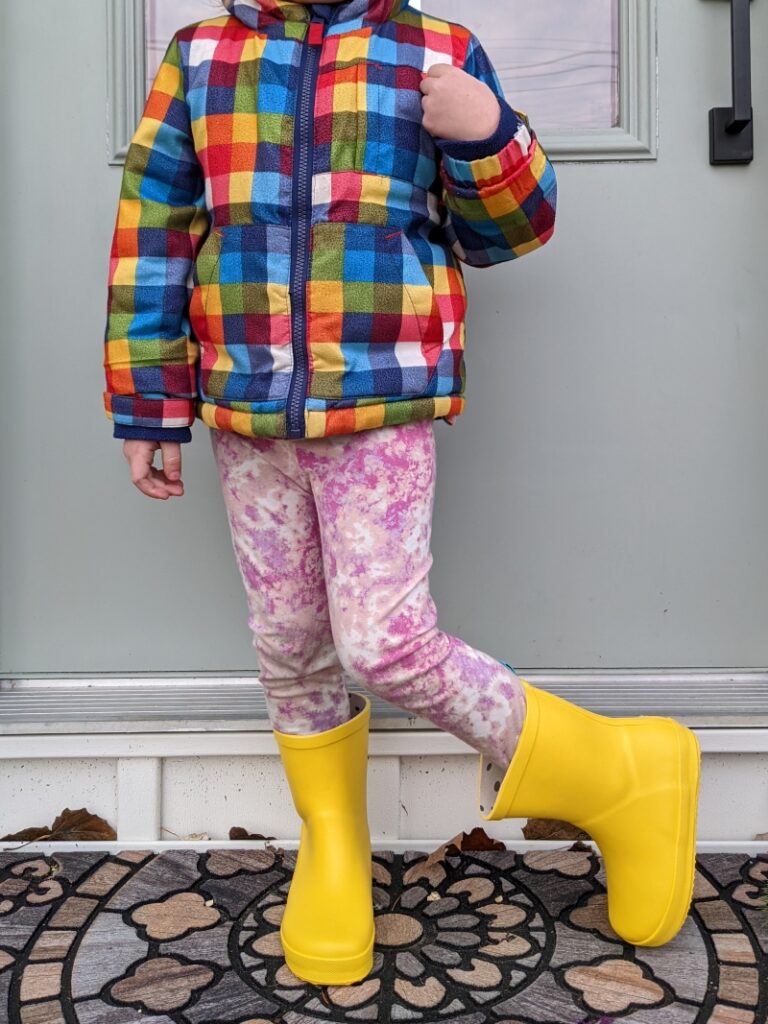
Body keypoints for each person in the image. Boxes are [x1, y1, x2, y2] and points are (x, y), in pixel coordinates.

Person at [103, 0, 700, 986]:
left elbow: (512, 231)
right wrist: (149, 403)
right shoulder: (199, 57)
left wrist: (487, 134)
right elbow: (153, 234)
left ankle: (618, 771)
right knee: (288, 637)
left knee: (384, 638)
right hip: (245, 412)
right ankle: (333, 843)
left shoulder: (434, 52)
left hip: (382, 406)